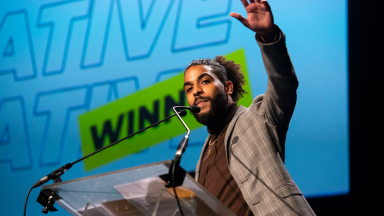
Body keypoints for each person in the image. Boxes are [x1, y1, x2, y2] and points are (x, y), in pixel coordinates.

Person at [183, 0, 315, 215]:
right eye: (189, 88)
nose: (195, 91)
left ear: (227, 87)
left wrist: (269, 37)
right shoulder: (203, 158)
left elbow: (284, 85)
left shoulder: (258, 118)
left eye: (204, 81)